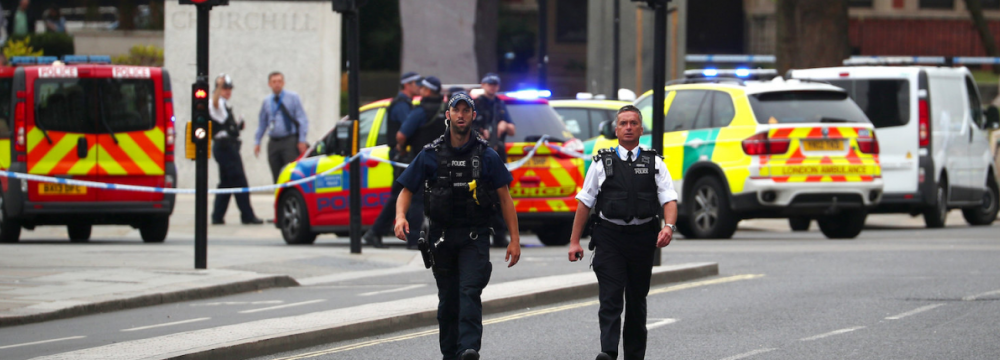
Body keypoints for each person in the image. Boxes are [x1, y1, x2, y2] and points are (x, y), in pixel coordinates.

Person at [393, 93, 521, 360]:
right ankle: (450, 353)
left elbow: (505, 199)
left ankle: (468, 349)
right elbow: (406, 190)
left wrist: (514, 239)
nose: (461, 114)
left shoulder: (487, 155)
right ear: (448, 115)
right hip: (441, 238)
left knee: (469, 292)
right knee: (448, 300)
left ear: (473, 116)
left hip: (475, 236)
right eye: (456, 110)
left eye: (466, 110)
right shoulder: (430, 154)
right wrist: (400, 217)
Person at [567, 105, 678, 360]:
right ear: (616, 130)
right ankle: (607, 351)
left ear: (641, 129)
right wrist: (574, 241)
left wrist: (669, 227)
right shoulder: (600, 163)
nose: (628, 127)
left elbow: (669, 199)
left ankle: (634, 356)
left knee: (637, 301)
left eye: (633, 123)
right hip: (609, 238)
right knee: (611, 298)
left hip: (642, 239)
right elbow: (585, 202)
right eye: (623, 123)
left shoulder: (655, 163)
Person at [361, 71, 423, 248]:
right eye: (414, 83)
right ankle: (375, 232)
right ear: (406, 85)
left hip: (402, 155)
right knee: (400, 195)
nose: (417, 86)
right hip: (401, 156)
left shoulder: (406, 103)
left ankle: (376, 232)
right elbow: (406, 129)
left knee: (399, 195)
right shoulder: (402, 105)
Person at [391, 76, 446, 248]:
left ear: (427, 91)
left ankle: (413, 238)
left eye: (422, 88)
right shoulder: (446, 110)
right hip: (444, 161)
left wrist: (401, 147)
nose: (420, 90)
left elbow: (401, 135)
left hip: (422, 160)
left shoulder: (420, 111)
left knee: (416, 200)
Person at [209, 74, 264, 226]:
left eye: (229, 88)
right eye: (224, 88)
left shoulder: (224, 105)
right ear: (218, 89)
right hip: (225, 148)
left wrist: (238, 126)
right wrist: (218, 87)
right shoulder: (217, 102)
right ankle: (247, 216)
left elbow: (228, 127)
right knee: (240, 181)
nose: (227, 91)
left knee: (226, 183)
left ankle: (217, 216)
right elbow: (214, 102)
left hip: (227, 146)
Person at [473, 73, 516, 248]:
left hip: (498, 154)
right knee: (481, 195)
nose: (492, 87)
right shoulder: (476, 104)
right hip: (480, 154)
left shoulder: (500, 104)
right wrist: (481, 132)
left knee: (501, 195)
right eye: (489, 84)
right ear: (483, 85)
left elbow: (513, 129)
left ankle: (500, 235)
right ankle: (480, 233)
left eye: (495, 84)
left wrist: (504, 125)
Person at [254, 71, 310, 183]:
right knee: (276, 175)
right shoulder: (267, 101)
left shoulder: (293, 97)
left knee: (291, 174)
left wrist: (302, 140)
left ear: (283, 83)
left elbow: (302, 119)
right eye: (274, 82)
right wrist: (257, 141)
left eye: (279, 81)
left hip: (289, 140)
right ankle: (279, 198)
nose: (277, 84)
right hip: (274, 142)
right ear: (269, 84)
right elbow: (262, 123)